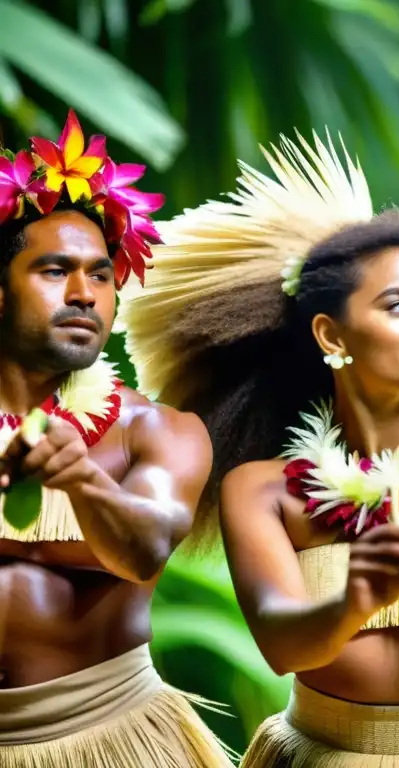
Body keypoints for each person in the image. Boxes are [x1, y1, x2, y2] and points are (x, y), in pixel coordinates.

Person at [117, 130, 399, 767]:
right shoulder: (261, 488)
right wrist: (357, 596)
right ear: (331, 334)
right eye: (398, 306)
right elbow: (280, 642)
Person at [0, 111, 232, 767]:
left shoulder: (155, 432)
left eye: (101, 275)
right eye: (54, 271)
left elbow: (147, 548)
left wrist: (80, 477)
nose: (84, 294)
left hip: (108, 737)